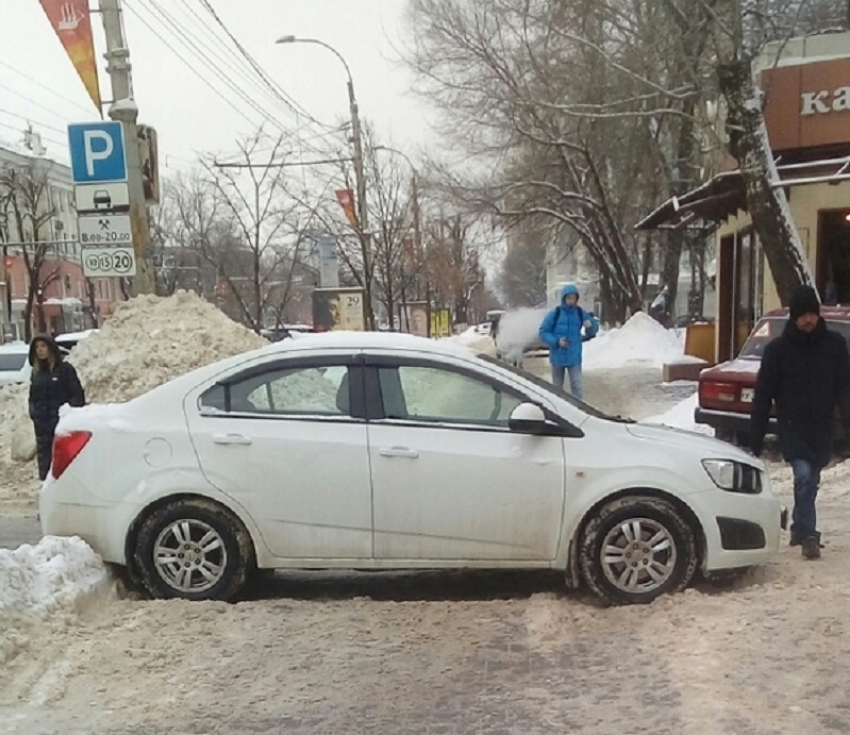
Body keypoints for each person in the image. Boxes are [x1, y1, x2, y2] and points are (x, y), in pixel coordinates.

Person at [750, 285, 850, 560]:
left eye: (812, 314)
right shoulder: (777, 351)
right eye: (802, 315)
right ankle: (808, 535)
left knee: (811, 478)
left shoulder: (835, 346)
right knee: (804, 475)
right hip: (792, 425)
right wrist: (754, 439)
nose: (808, 319)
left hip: (821, 427)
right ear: (793, 317)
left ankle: (798, 527)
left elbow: (844, 386)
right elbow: (763, 395)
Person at [28, 335, 85, 481]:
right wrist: (34, 413)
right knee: (46, 459)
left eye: (43, 346)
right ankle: (47, 486)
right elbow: (33, 397)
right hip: (42, 427)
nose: (40, 350)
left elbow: (77, 395)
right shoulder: (36, 374)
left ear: (51, 348)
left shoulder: (65, 370)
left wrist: (68, 414)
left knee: (64, 460)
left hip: (62, 425)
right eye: (37, 347)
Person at [538, 284, 599, 399]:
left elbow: (592, 332)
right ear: (564, 298)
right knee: (557, 389)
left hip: (574, 357)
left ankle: (578, 411)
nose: (571, 301)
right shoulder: (555, 313)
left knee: (577, 386)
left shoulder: (580, 313)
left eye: (573, 298)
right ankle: (558, 411)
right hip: (557, 357)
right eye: (568, 298)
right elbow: (543, 332)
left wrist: (591, 326)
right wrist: (557, 341)